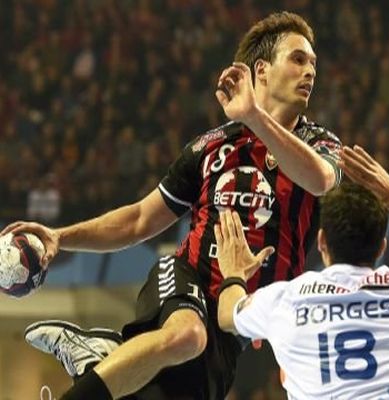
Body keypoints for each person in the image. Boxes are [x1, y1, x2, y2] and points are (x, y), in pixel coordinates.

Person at [3, 11, 342, 400]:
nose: (310, 71)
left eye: (314, 63)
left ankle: (100, 355)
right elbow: (138, 220)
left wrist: (255, 117)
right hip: (187, 279)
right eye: (298, 59)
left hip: (233, 325)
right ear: (261, 70)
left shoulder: (321, 143)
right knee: (186, 335)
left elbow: (318, 180)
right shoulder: (209, 147)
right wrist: (60, 237)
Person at [214, 145, 389, 399]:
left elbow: (227, 315)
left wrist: (234, 273)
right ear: (381, 247)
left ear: (322, 241)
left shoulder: (284, 302)